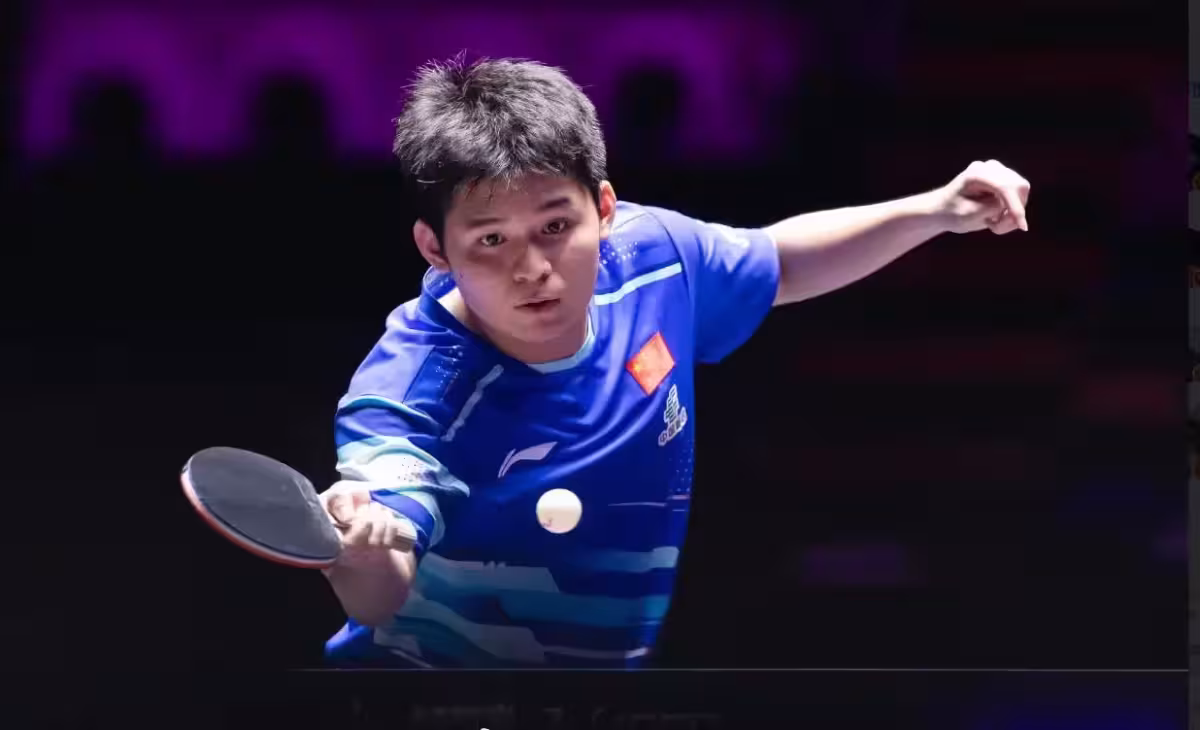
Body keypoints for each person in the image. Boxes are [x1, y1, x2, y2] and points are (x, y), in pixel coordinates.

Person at [319, 56, 1031, 668]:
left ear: (604, 209)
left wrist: (937, 210)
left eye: (555, 226)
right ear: (435, 248)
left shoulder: (654, 261)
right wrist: (361, 552)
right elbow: (379, 591)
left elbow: (781, 262)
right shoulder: (411, 388)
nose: (532, 267)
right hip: (425, 702)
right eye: (491, 241)